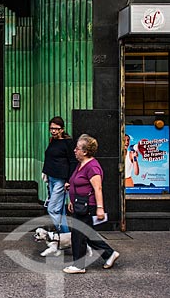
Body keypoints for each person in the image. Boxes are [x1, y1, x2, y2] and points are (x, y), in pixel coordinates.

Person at [63, 134, 120, 274]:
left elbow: (98, 188)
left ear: (85, 151)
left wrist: (100, 208)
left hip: (87, 205)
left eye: (77, 148)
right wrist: (71, 197)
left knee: (78, 234)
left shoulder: (92, 167)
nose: (75, 150)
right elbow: (77, 183)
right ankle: (109, 253)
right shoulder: (81, 164)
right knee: (86, 233)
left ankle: (79, 265)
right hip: (78, 203)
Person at [42, 116, 76, 233]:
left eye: (56, 129)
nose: (53, 131)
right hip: (51, 178)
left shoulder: (67, 143)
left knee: (52, 209)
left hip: (61, 180)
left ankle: (64, 235)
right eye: (51, 128)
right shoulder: (52, 141)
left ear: (62, 129)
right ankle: (66, 236)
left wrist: (68, 180)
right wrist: (45, 172)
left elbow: (72, 161)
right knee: (60, 210)